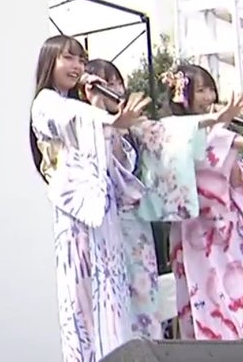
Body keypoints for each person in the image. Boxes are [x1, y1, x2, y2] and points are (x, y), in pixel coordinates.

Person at [134, 64, 243, 341]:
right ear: (182, 95)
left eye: (210, 90)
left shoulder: (220, 134)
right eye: (201, 90)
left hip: (222, 227)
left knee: (228, 297)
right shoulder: (171, 131)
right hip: (191, 225)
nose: (208, 97)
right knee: (196, 299)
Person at [28, 35, 150, 361]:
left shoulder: (82, 109)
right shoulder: (46, 102)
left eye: (81, 60)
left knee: (110, 300)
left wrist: (103, 112)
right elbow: (71, 119)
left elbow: (118, 160)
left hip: (102, 218)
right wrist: (109, 120)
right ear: (49, 61)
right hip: (77, 217)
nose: (77, 66)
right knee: (81, 303)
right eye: (68, 58)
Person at [75, 58, 162, 340]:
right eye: (107, 83)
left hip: (134, 222)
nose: (115, 89)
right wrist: (98, 108)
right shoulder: (84, 123)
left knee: (143, 292)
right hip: (100, 224)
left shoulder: (135, 127)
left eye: (117, 82)